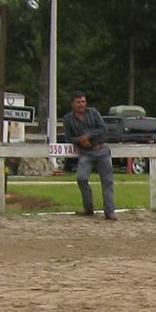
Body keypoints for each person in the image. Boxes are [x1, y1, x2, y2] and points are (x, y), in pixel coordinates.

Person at [62, 92, 115, 220]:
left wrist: (88, 136)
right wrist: (79, 140)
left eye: (83, 102)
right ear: (72, 104)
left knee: (107, 181)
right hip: (85, 152)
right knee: (81, 178)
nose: (81, 104)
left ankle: (109, 211)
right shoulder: (68, 119)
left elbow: (102, 128)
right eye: (78, 102)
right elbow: (68, 138)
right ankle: (88, 208)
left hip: (101, 149)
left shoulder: (93, 113)